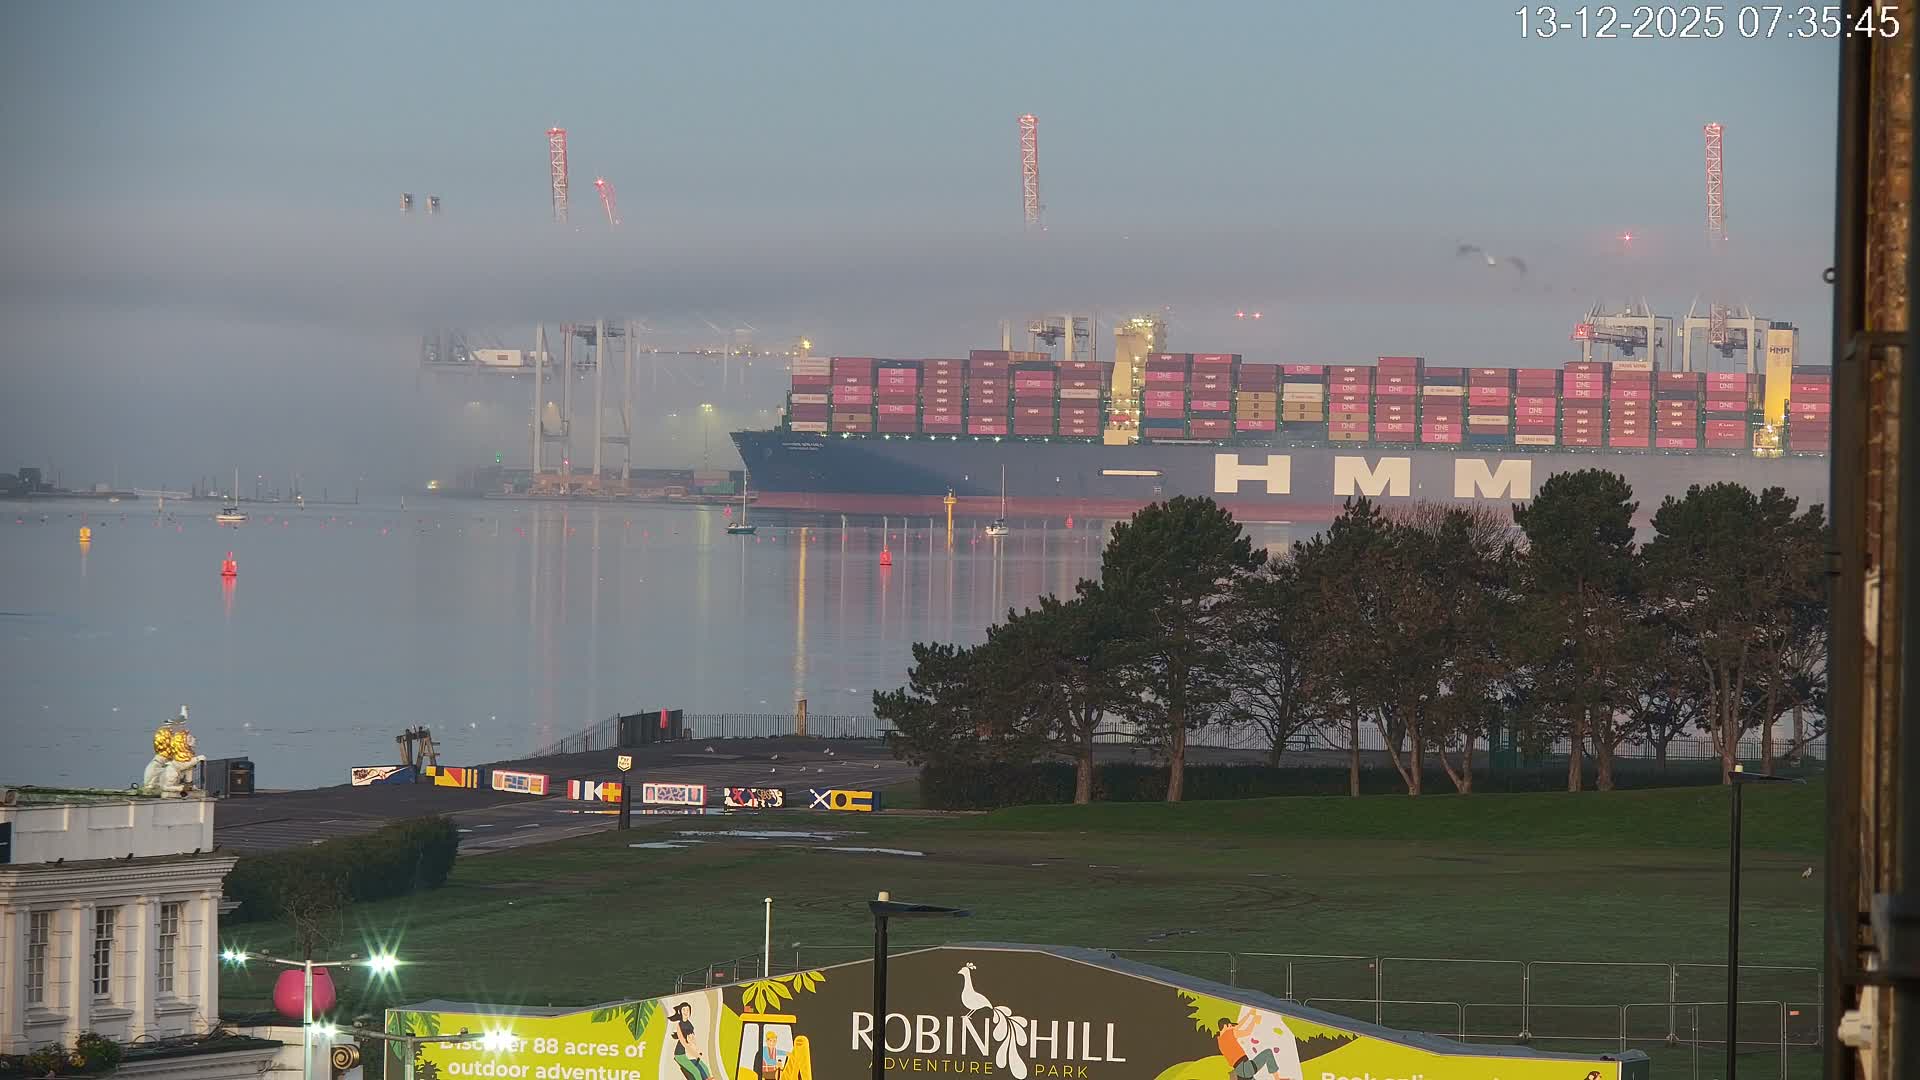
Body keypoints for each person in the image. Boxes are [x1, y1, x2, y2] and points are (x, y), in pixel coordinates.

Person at [667, 1003, 714, 1080]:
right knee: (696, 1072)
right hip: (681, 1054)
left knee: (705, 1068)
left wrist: (696, 1051)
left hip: (689, 1053)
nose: (686, 1012)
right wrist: (694, 1053)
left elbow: (692, 1040)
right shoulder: (679, 1025)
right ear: (680, 1012)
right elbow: (684, 1043)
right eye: (684, 1010)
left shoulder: (690, 1025)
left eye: (687, 1010)